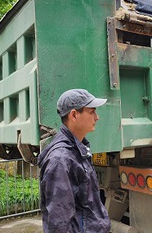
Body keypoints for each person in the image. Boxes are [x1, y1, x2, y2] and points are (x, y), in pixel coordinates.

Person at [38, 89, 111, 233]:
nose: (97, 117)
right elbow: (59, 223)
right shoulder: (61, 160)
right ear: (74, 115)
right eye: (92, 112)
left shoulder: (77, 149)